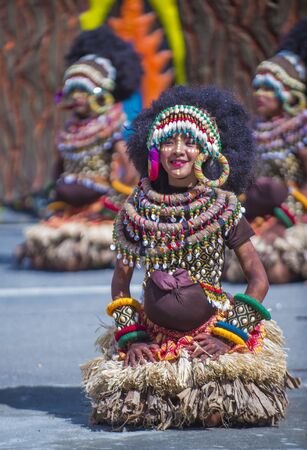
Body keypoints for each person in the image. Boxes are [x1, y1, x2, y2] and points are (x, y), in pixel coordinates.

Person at [81, 86, 298, 430]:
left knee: (215, 412)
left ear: (207, 153)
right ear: (155, 149)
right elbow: (121, 282)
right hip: (154, 337)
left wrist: (227, 336)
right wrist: (133, 337)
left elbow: (259, 279)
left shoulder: (223, 208)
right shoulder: (137, 210)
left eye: (190, 142)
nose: (178, 150)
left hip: (209, 332)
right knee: (132, 413)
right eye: (168, 141)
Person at [15, 26, 142, 271]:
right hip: (67, 202)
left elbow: (128, 167)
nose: (77, 98)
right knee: (47, 239)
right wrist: (54, 187)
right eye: (72, 92)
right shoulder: (69, 131)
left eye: (83, 91)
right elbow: (59, 164)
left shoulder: (111, 127)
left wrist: (129, 194)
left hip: (101, 201)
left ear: (101, 93)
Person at [224, 20, 307, 284]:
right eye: (257, 87)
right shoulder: (253, 130)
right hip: (258, 213)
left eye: (269, 88)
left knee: (279, 266)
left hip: (296, 214)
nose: (260, 94)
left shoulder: (301, 128)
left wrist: (282, 222)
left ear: (290, 92)